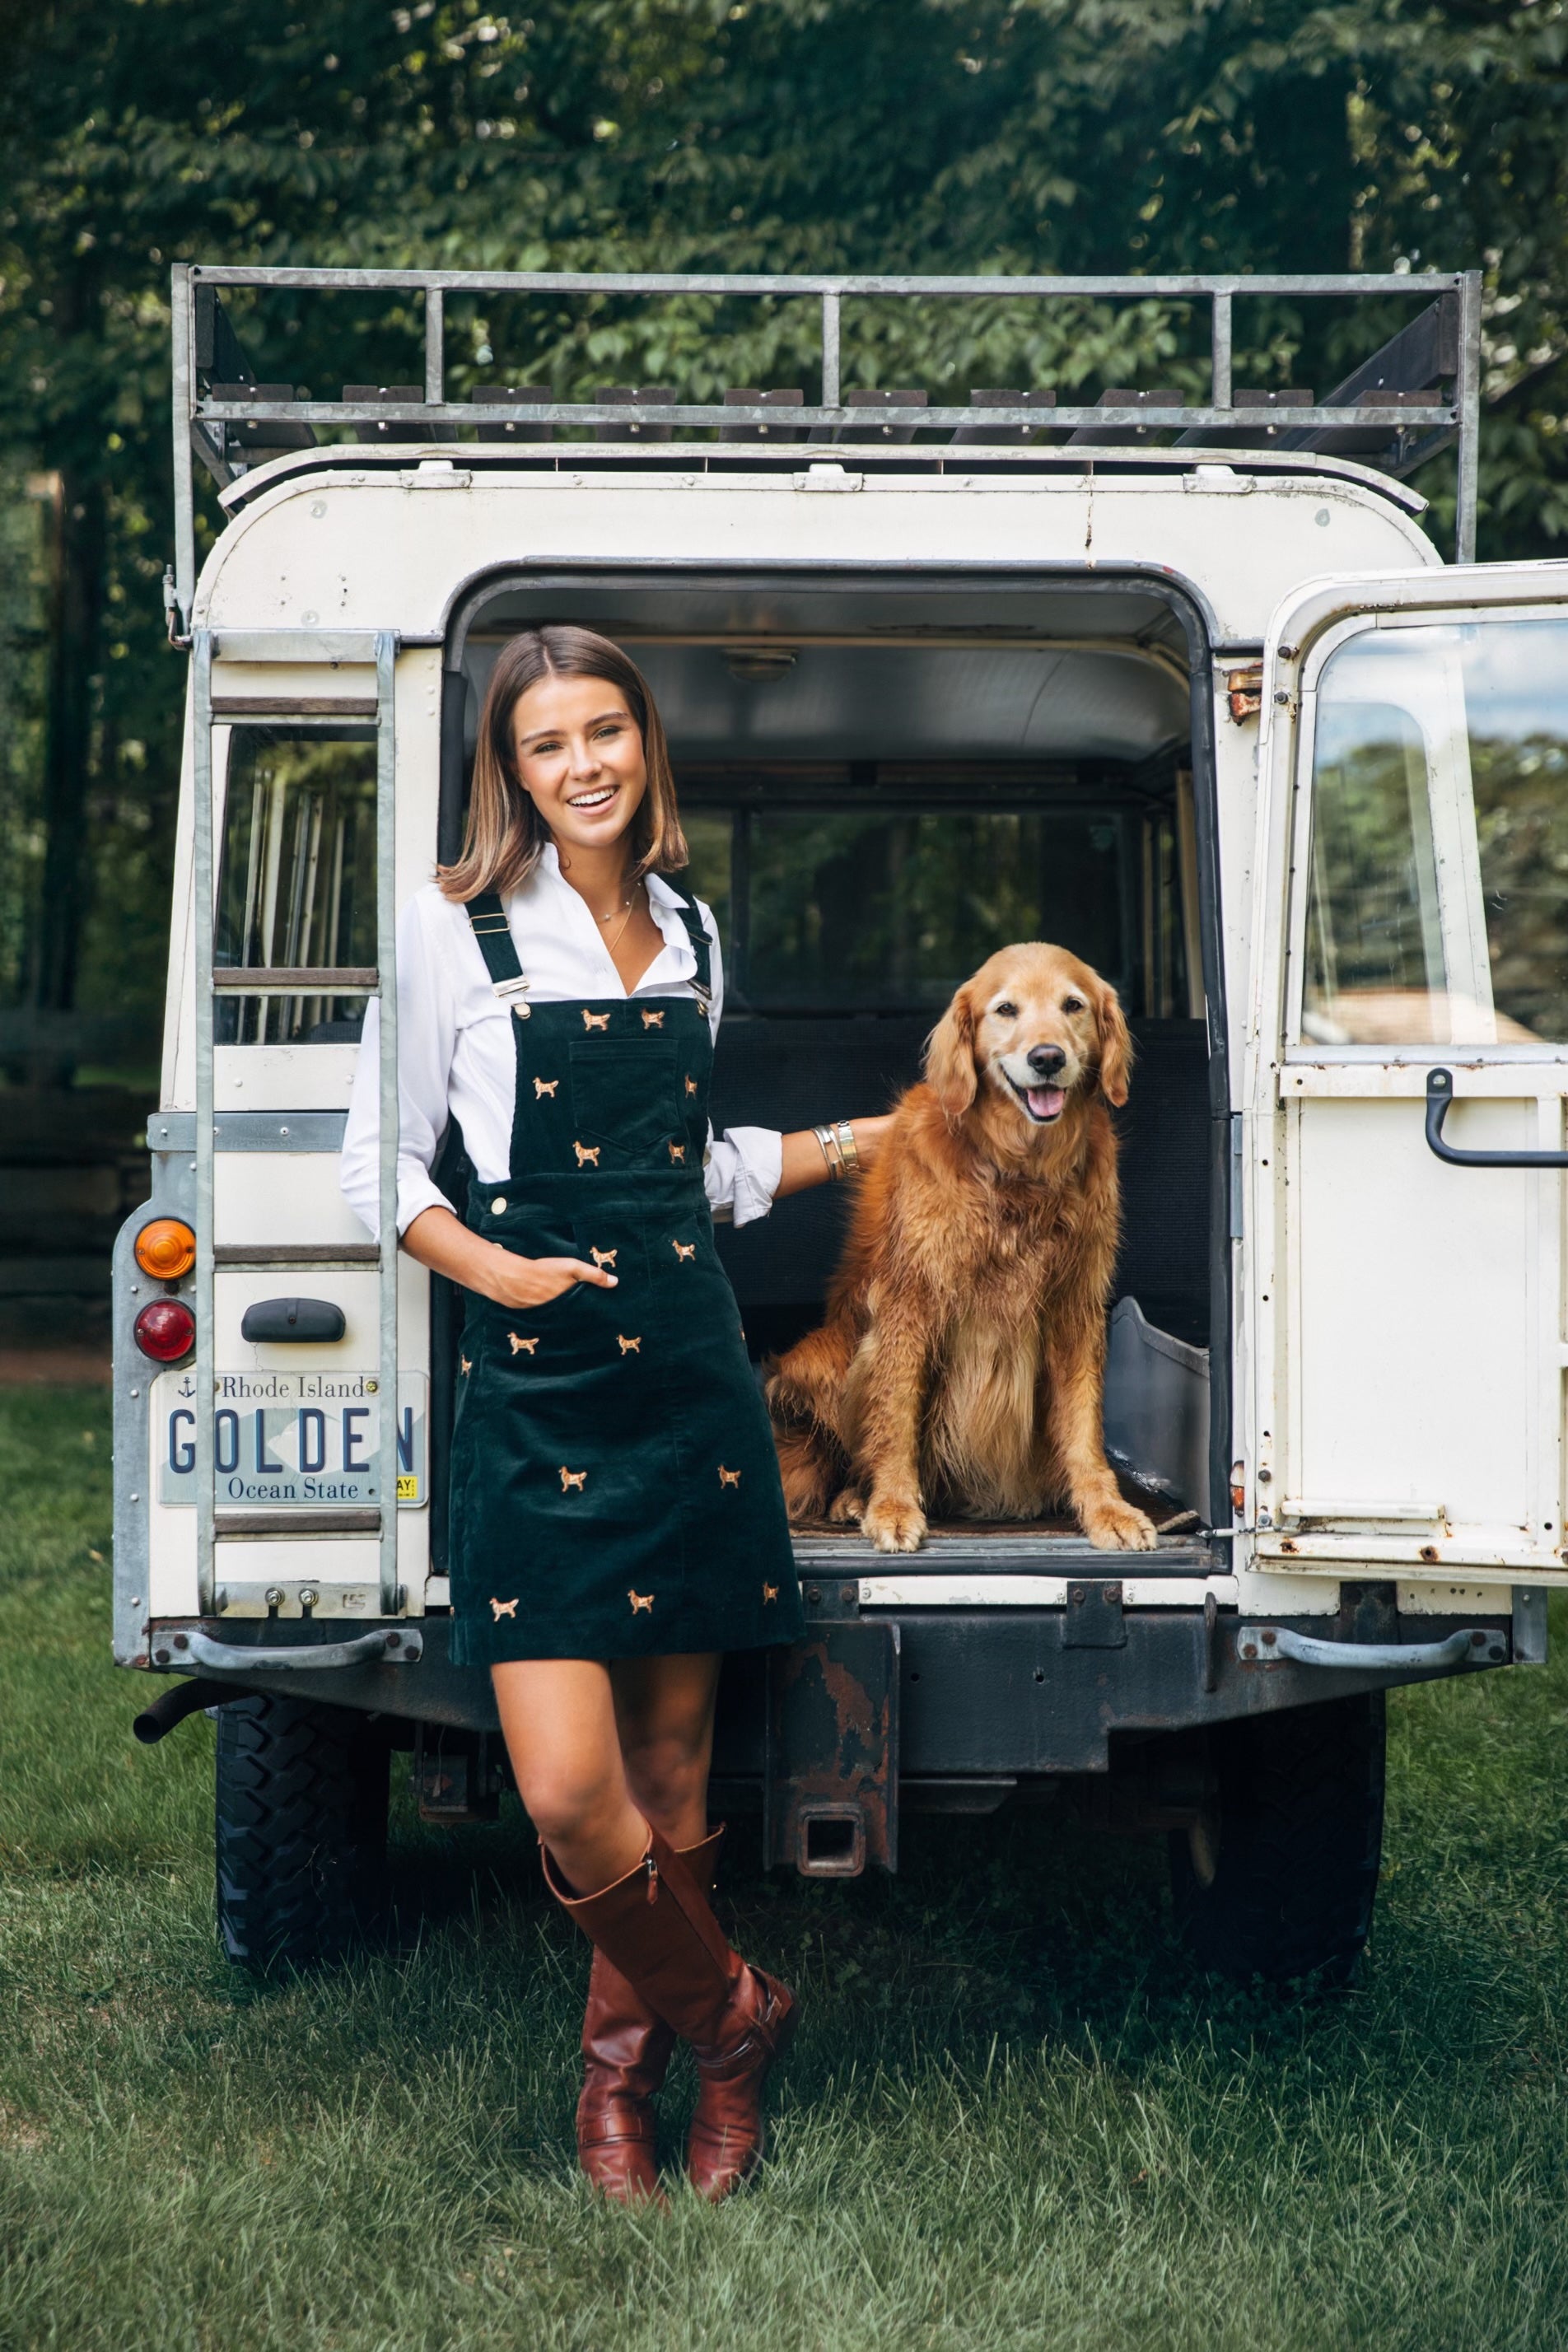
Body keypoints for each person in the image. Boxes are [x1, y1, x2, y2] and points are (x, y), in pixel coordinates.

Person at [341, 624, 892, 2204]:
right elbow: (377, 1166)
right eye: (546, 744)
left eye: (605, 732)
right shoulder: (449, 927)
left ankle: (619, 2101)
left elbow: (691, 1173)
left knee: (670, 1775)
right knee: (571, 1790)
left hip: (688, 1378)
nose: (582, 765)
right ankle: (737, 2025)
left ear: (645, 742)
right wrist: (498, 1273)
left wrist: (867, 1138)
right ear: (509, 771)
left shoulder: (694, 930)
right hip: (538, 1380)